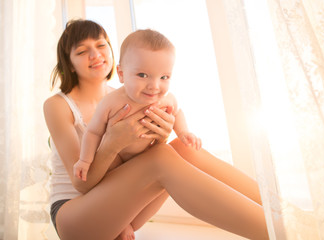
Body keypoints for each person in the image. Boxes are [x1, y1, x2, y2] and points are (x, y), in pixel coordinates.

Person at [43, 19, 269, 240]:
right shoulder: (59, 105)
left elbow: (138, 161)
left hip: (121, 211)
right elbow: (82, 184)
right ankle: (276, 232)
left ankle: (283, 215)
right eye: (82, 51)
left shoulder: (131, 93)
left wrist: (161, 135)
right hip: (74, 215)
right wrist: (113, 143)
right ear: (69, 62)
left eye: (101, 45)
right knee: (161, 157)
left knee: (182, 147)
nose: (95, 55)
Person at [73, 29, 201, 182]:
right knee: (112, 173)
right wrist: (84, 161)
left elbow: (177, 112)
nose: (154, 86)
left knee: (182, 153)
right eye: (142, 75)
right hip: (117, 158)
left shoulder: (166, 99)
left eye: (164, 77)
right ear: (121, 73)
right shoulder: (111, 102)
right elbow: (93, 132)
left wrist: (183, 132)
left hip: (146, 155)